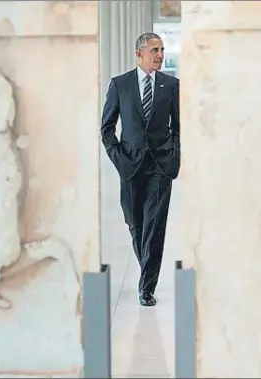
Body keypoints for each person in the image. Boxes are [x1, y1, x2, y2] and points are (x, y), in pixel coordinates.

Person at [101, 32, 180, 307]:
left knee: (155, 228)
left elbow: (179, 126)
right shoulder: (120, 85)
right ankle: (147, 265)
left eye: (162, 50)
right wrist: (118, 156)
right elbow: (107, 128)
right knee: (135, 225)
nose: (160, 55)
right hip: (130, 167)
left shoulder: (171, 86)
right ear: (140, 53)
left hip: (160, 167)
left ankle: (147, 287)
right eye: (155, 50)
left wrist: (174, 154)